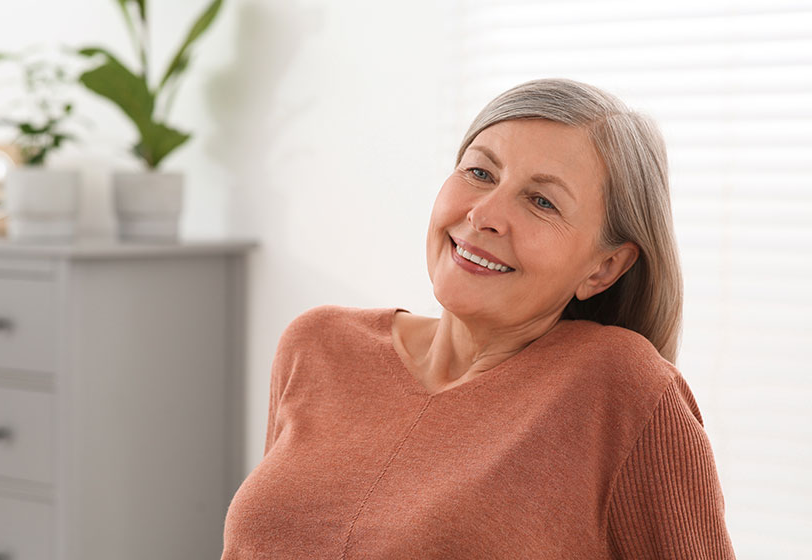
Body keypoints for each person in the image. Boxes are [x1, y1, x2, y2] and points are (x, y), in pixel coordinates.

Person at [221, 78, 736, 559]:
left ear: (604, 268)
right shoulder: (318, 345)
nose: (484, 213)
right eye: (480, 172)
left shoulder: (622, 387)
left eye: (541, 202)